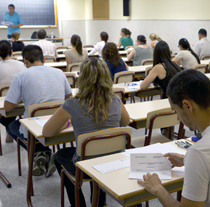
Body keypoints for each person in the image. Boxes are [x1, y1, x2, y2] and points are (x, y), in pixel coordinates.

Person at [43, 57, 130, 207]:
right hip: (115, 161)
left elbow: (47, 132)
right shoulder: (116, 100)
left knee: (59, 156)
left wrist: (67, 123)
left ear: (82, 78)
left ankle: (78, 204)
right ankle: (99, 201)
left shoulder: (72, 104)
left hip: (84, 167)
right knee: (100, 151)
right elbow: (126, 123)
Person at [138, 69, 210, 207]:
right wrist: (186, 160)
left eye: (176, 111)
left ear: (187, 105)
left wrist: (158, 189)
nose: (177, 118)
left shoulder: (198, 153)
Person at [0, 45, 72, 177]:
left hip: (35, 127)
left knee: (12, 126)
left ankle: (41, 152)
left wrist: (21, 99)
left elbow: (8, 108)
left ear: (25, 61)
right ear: (43, 59)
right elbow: (69, 99)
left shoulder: (20, 77)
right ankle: (44, 152)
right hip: (59, 123)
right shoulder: (59, 73)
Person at [0, 40, 26, 143]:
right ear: (12, 51)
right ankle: (10, 130)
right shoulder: (21, 64)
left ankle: (9, 129)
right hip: (20, 101)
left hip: (4, 102)